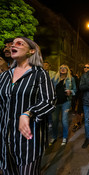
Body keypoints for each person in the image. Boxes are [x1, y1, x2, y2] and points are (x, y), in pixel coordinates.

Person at [0, 36, 56, 174]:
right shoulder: (4, 76)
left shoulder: (40, 74)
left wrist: (28, 113)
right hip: (4, 141)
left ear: (31, 51)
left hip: (28, 140)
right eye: (12, 44)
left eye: (19, 43)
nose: (13, 45)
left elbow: (49, 100)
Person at [51, 64, 77, 146]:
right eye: (61, 68)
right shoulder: (54, 79)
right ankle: (54, 136)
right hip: (55, 102)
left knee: (64, 120)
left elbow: (75, 90)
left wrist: (71, 92)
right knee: (54, 121)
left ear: (67, 70)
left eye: (65, 68)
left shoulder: (71, 79)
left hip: (66, 102)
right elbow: (50, 89)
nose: (62, 69)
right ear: (59, 70)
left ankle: (65, 137)